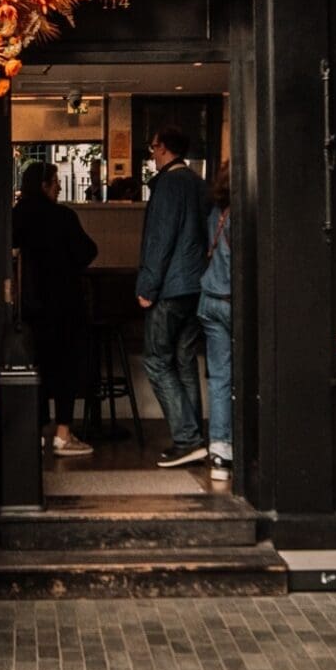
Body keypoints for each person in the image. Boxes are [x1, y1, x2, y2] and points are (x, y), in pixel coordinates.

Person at [12, 160, 98, 456]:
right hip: (64, 302)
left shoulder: (16, 216)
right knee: (65, 366)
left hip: (29, 305)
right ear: (45, 185)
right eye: (56, 181)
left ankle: (32, 433)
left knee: (33, 366)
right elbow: (89, 251)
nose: (60, 186)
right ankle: (63, 434)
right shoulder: (63, 216)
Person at [136, 125, 209, 468]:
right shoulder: (198, 183)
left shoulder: (168, 184)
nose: (151, 153)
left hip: (170, 287)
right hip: (197, 286)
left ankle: (187, 439)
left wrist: (147, 286)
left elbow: (160, 239)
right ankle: (197, 440)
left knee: (156, 360)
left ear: (164, 148)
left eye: (153, 147)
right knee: (185, 362)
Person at [199, 160, 233, 481]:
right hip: (234, 303)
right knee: (248, 376)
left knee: (220, 378)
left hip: (209, 300)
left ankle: (220, 451)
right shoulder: (243, 217)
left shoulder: (215, 214)